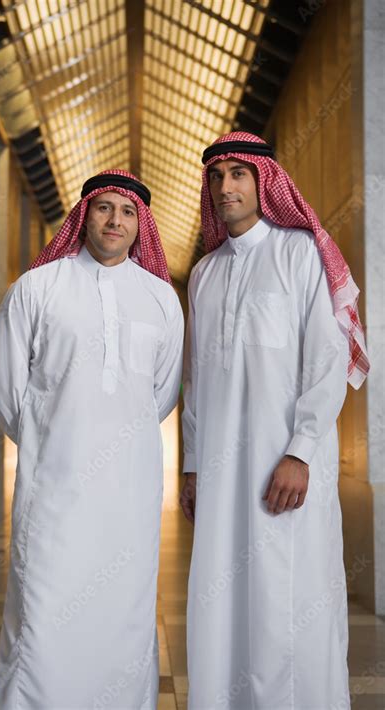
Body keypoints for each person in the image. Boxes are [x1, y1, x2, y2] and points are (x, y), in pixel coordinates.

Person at [179, 132, 369, 709]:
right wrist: (190, 465)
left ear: (265, 182)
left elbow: (328, 359)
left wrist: (302, 450)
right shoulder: (204, 275)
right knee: (224, 601)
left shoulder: (301, 253)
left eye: (239, 173)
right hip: (219, 474)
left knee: (291, 601)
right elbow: (195, 382)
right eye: (217, 176)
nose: (226, 186)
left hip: (287, 467)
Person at [0, 169, 184, 709]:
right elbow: (7, 391)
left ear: (140, 223)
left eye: (127, 212)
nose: (115, 220)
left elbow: (161, 394)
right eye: (104, 208)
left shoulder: (162, 299)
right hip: (54, 490)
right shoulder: (37, 287)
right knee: (42, 611)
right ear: (84, 215)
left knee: (123, 613)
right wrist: (56, 443)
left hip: (130, 493)